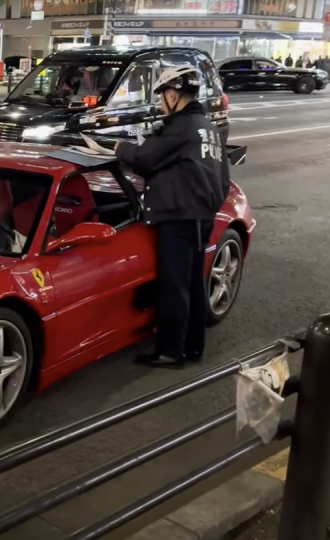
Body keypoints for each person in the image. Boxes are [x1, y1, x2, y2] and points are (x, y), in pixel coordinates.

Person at [113, 65, 231, 369]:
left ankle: (170, 351)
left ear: (173, 94)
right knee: (192, 282)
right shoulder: (206, 126)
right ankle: (192, 346)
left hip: (180, 216)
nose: (161, 103)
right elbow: (223, 178)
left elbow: (145, 158)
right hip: (199, 215)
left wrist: (119, 147)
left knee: (175, 284)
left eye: (163, 96)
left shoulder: (182, 127)